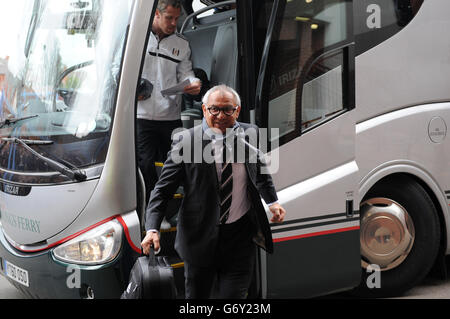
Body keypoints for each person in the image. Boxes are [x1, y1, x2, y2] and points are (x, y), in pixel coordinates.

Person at [141, 84, 286, 299]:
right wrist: (152, 228)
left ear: (237, 110)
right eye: (214, 109)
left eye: (227, 109)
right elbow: (162, 191)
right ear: (204, 110)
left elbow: (260, 172)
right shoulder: (186, 142)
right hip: (198, 239)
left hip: (239, 239)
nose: (220, 115)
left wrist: (272, 202)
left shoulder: (251, 133)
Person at [137, 0, 201, 204]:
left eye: (176, 18)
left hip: (170, 117)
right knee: (146, 165)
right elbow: (116, 71)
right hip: (141, 116)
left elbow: (187, 75)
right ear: (156, 13)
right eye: (169, 18)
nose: (174, 23)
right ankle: (151, 211)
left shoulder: (181, 44)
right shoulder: (137, 38)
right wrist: (133, 88)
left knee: (173, 166)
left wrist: (194, 84)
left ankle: (167, 208)